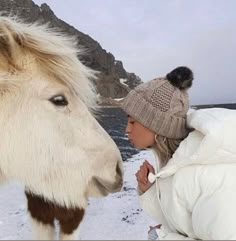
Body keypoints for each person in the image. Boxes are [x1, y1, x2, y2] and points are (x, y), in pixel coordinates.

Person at [121, 66, 236, 240]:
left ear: (157, 124)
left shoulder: (208, 175)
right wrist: (150, 192)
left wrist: (162, 237)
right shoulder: (176, 165)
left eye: (132, 122)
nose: (126, 130)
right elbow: (182, 219)